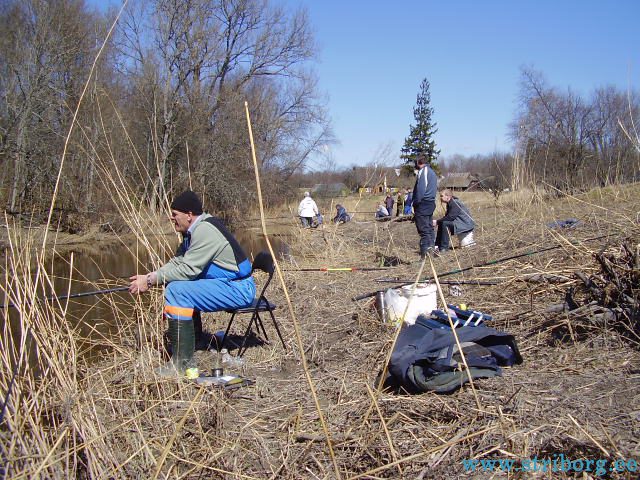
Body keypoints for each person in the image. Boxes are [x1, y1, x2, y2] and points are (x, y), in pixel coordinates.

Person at [129, 190, 256, 376]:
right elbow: (177, 263)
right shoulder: (192, 232)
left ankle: (182, 364)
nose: (172, 219)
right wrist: (150, 276)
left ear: (189, 215)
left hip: (239, 289)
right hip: (229, 284)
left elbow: (188, 270)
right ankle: (195, 340)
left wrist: (149, 281)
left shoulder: (204, 230)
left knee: (177, 291)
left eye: (175, 215)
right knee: (176, 285)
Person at [411, 155, 438, 258]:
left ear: (418, 163)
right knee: (429, 228)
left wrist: (416, 203)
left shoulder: (424, 172)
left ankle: (425, 256)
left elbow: (421, 190)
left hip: (423, 203)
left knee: (424, 230)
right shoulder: (432, 172)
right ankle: (431, 252)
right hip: (430, 203)